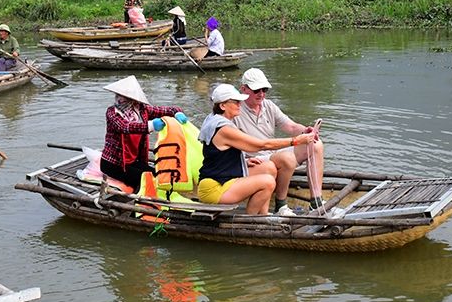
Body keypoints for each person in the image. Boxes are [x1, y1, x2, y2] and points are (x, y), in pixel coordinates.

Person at [196, 84, 313, 215]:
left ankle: (263, 214)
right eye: (236, 102)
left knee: (269, 167)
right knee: (268, 182)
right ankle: (250, 221)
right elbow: (261, 145)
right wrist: (296, 141)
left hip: (224, 177)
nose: (240, 104)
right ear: (222, 106)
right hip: (215, 188)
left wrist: (242, 162)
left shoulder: (215, 119)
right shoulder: (224, 129)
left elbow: (216, 154)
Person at [232, 68, 326, 214]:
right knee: (286, 157)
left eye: (264, 90)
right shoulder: (235, 110)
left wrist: (305, 131)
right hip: (254, 159)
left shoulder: (268, 105)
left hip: (271, 152)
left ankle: (316, 201)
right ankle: (281, 205)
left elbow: (290, 126)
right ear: (244, 89)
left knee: (316, 144)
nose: (261, 94)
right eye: (257, 90)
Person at [101, 75, 185, 192]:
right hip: (114, 164)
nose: (119, 99)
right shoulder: (112, 112)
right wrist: (150, 125)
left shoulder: (142, 110)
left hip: (133, 161)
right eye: (118, 95)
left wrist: (177, 113)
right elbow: (125, 127)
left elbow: (166, 110)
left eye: (123, 96)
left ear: (132, 99)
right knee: (145, 180)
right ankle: (137, 207)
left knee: (158, 175)